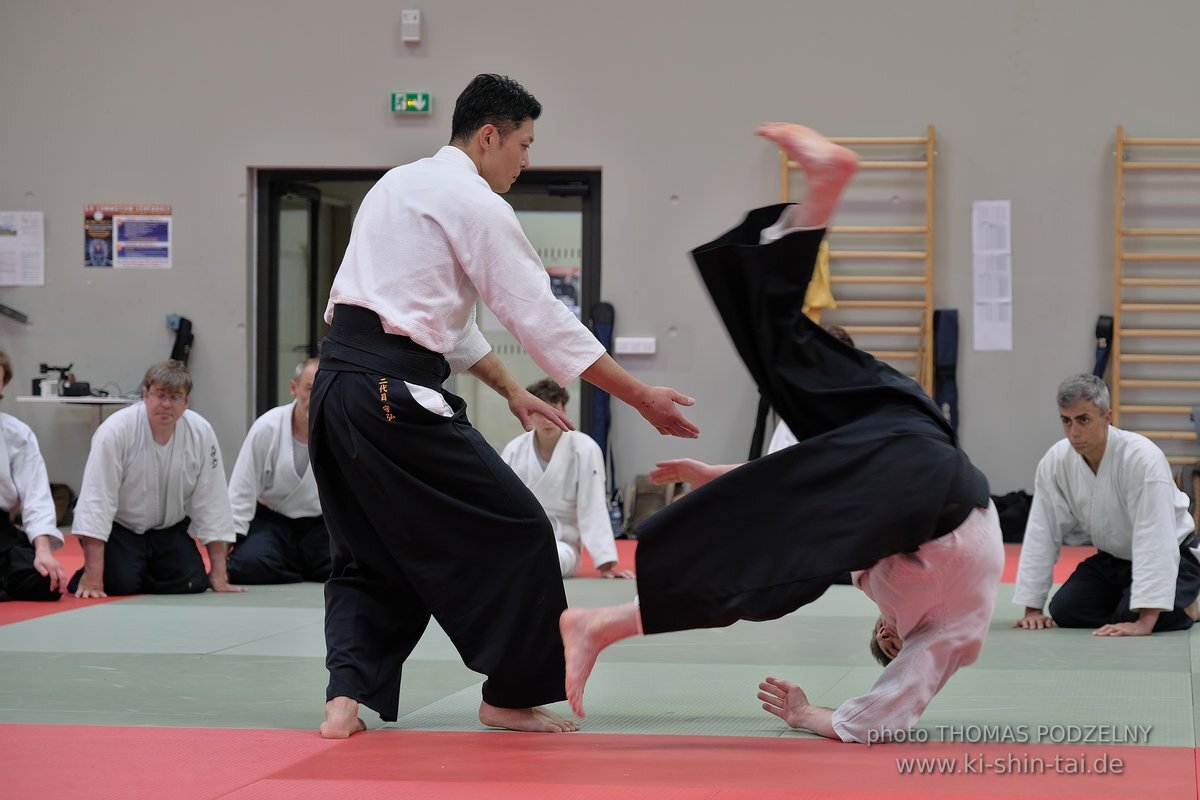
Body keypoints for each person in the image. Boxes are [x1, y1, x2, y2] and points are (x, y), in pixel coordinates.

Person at [559, 122, 1004, 744]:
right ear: (902, 648)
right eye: (891, 642)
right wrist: (815, 716)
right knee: (773, 580)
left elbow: (804, 485)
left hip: (911, 438)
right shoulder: (957, 631)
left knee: (782, 351)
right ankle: (602, 626)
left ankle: (821, 192)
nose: (884, 632)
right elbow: (887, 715)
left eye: (878, 636)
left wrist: (719, 478)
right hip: (934, 487)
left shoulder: (870, 564)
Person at [311, 73, 698, 739]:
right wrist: (639, 398)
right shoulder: (476, 204)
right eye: (524, 143)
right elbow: (540, 319)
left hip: (335, 389)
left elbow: (437, 320)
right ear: (489, 136)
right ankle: (511, 694)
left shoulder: (395, 186)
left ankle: (342, 703)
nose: (527, 160)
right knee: (523, 529)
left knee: (367, 552)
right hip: (392, 394)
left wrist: (514, 391)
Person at [1012, 373, 1199, 636]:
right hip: (1115, 560)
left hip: (1175, 555)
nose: (1074, 432)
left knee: (1132, 615)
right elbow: (1042, 530)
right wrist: (1032, 609)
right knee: (1066, 610)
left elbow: (1155, 538)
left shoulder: (1142, 458)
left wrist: (1144, 623)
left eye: (1083, 420)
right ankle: (1134, 599)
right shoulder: (1057, 461)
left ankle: (1189, 605)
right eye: (1066, 421)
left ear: (1107, 417)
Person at [67, 360, 243, 598]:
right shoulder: (116, 430)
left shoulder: (201, 432)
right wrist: (93, 576)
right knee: (120, 584)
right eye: (160, 395)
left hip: (169, 530)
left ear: (186, 401)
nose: (166, 404)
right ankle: (107, 570)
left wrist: (219, 575)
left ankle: (139, 569)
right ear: (145, 394)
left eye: (175, 397)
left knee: (193, 582)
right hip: (121, 529)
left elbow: (213, 501)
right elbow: (97, 500)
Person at [500, 378, 632, 580]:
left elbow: (593, 505)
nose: (547, 420)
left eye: (553, 411)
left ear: (564, 409)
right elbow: (502, 504)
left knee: (550, 559)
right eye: (540, 412)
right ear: (529, 413)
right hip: (523, 537)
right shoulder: (514, 450)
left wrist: (606, 564)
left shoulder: (585, 449)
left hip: (563, 542)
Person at [226, 357, 330, 584]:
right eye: (311, 388)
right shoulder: (267, 427)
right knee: (247, 565)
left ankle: (297, 561)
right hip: (272, 521)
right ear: (294, 388)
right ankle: (303, 563)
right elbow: (241, 491)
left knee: (350, 566)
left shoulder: (342, 430)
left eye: (324, 388)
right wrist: (227, 544)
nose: (317, 396)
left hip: (321, 524)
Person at [0, 350, 67, 601]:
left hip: (1, 530)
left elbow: (36, 498)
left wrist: (43, 550)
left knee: (43, 580)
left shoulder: (17, 433)